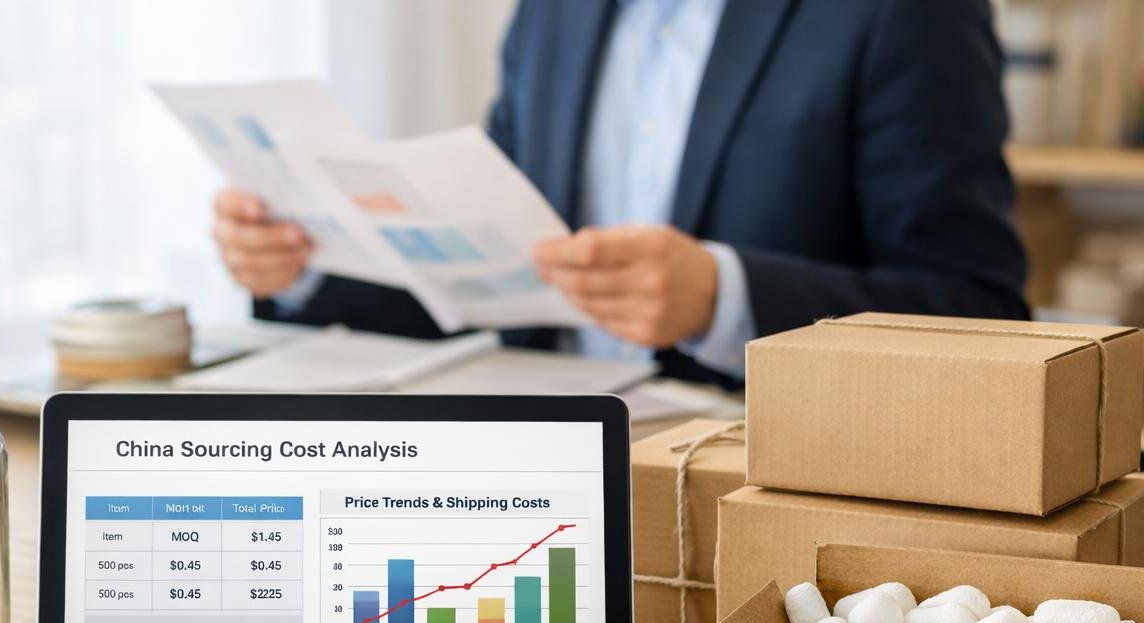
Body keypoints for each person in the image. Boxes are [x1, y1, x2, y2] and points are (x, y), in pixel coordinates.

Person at [210, 0, 1029, 390]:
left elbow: (980, 314)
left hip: (759, 493)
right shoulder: (552, 16)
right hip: (540, 472)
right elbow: (492, 278)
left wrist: (724, 298)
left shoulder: (904, 15)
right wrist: (306, 263)